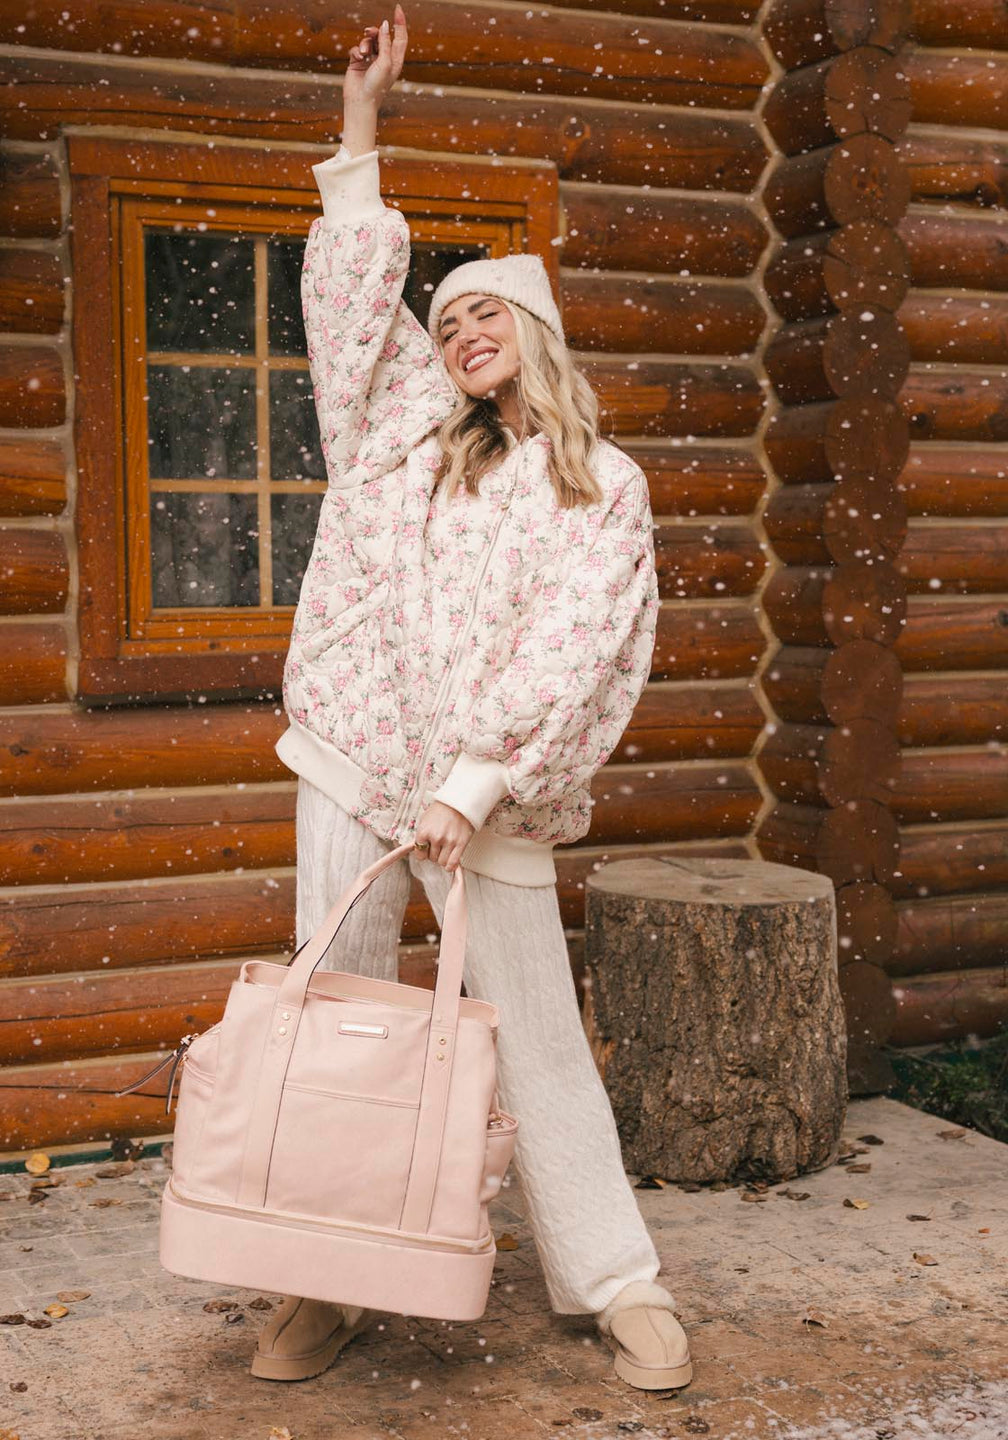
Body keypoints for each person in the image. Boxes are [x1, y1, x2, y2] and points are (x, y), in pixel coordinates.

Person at [253, 3, 693, 1393]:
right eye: (445, 321)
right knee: (336, 1013)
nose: (459, 331)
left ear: (540, 327)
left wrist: (475, 781)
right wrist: (361, 131)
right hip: (353, 756)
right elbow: (344, 296)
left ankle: (615, 1283)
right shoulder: (396, 442)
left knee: (535, 1032)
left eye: (486, 308)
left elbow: (578, 646)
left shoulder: (597, 487)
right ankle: (327, 1278)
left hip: (482, 795)